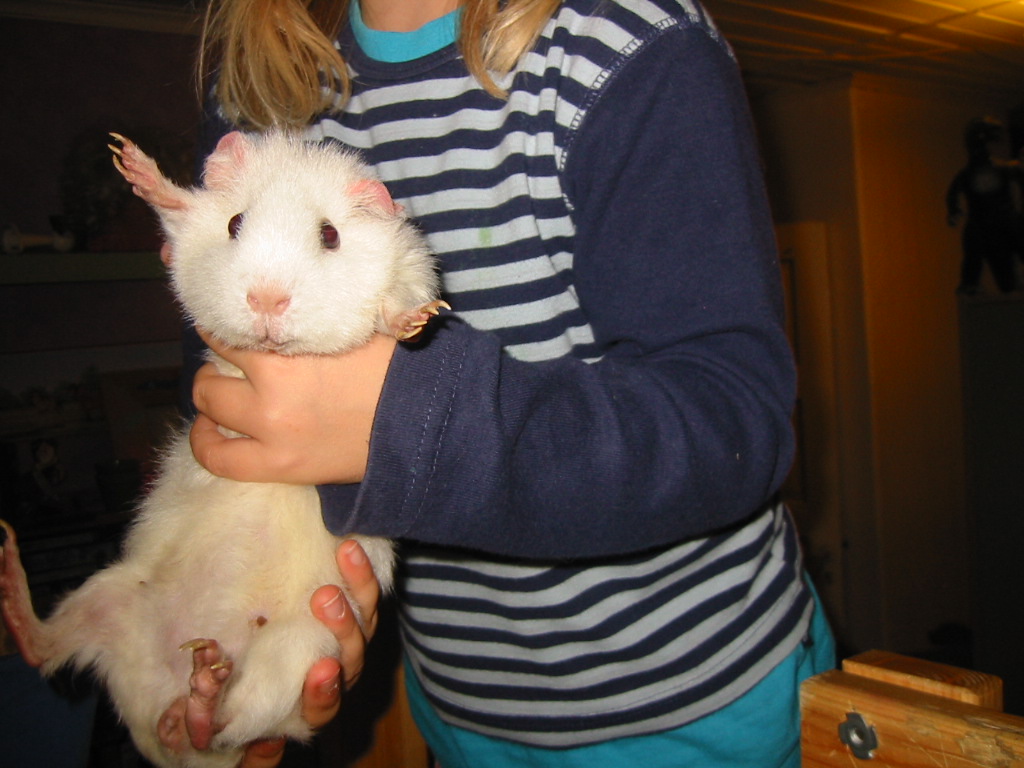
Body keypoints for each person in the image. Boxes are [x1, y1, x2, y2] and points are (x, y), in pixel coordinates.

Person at [186, 0, 836, 766]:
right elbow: (239, 407)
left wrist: (410, 428)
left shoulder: (630, 41)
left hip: (701, 706)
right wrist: (247, 637)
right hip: (459, 713)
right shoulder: (252, 96)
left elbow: (733, 420)